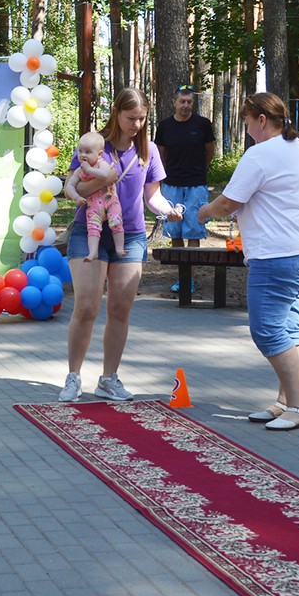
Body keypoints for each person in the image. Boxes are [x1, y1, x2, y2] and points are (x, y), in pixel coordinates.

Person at [198, 93, 299, 431]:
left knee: (267, 330)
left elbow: (228, 203)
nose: (246, 129)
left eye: (246, 122)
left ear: (259, 120)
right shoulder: (298, 147)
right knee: (287, 327)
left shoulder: (260, 154)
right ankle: (286, 402)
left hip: (278, 254)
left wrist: (204, 211)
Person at [59, 88, 184, 403]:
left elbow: (152, 195)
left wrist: (167, 209)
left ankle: (108, 379)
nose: (137, 124)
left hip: (129, 234)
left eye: (142, 118)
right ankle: (73, 378)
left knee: (119, 308)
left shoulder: (149, 151)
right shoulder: (93, 144)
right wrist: (106, 176)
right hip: (90, 231)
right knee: (87, 306)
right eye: (131, 118)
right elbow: (73, 188)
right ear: (116, 113)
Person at [154, 83, 216, 293]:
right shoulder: (165, 126)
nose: (186, 105)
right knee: (175, 230)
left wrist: (200, 170)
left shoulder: (203, 124)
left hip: (196, 185)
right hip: (172, 184)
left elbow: (210, 151)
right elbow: (160, 155)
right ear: (174, 102)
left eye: (189, 102)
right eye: (182, 101)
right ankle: (181, 276)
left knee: (194, 231)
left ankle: (191, 278)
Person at [64, 130, 126, 261]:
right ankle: (93, 252)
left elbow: (104, 175)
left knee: (116, 221)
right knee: (93, 227)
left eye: (87, 152)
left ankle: (119, 248)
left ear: (99, 154)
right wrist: (76, 197)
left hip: (109, 200)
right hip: (93, 204)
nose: (82, 155)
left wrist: (89, 170)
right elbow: (70, 186)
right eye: (80, 151)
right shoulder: (80, 170)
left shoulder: (101, 163)